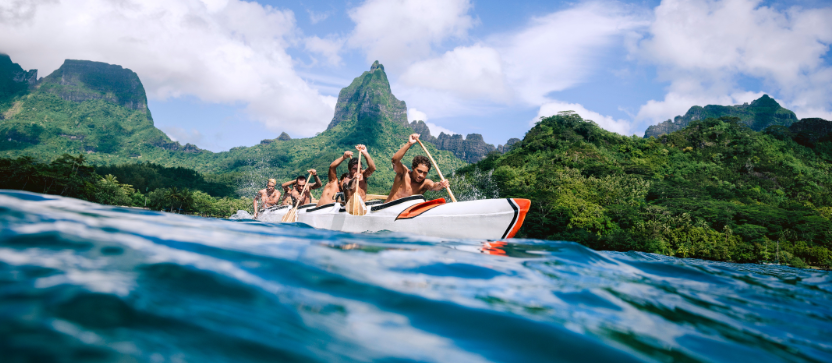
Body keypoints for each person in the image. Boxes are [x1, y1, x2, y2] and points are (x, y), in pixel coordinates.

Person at [385, 134, 450, 202]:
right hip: (387, 209)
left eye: (425, 173)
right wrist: (409, 143)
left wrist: (441, 184)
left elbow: (433, 186)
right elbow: (394, 160)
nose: (421, 175)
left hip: (405, 212)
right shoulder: (403, 172)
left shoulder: (425, 183)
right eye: (419, 171)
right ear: (413, 168)